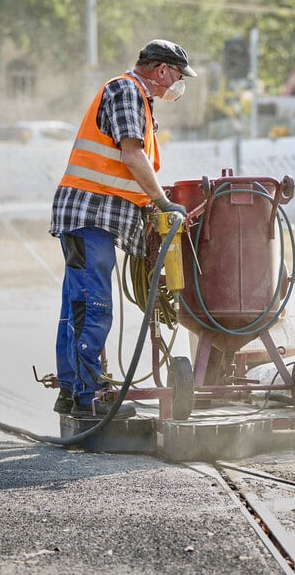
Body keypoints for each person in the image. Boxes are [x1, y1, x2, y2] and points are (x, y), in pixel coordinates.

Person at [49, 39, 196, 418]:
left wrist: (148, 205)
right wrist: (163, 203)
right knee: (92, 304)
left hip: (92, 215)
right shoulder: (127, 90)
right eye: (177, 75)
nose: (177, 84)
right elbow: (131, 154)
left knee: (76, 303)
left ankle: (71, 389)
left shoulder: (138, 100)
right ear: (161, 70)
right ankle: (87, 396)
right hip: (90, 213)